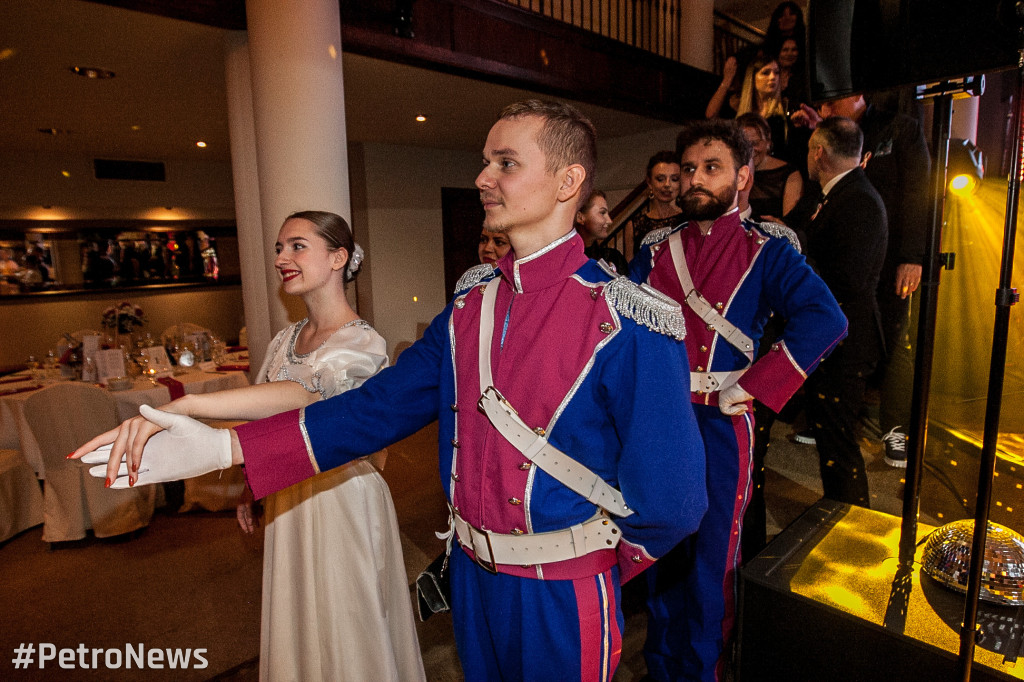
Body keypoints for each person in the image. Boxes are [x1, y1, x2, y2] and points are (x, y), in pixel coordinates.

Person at [78, 100, 708, 681]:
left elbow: (674, 502)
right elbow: (372, 409)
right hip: (470, 576)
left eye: (506, 163)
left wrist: (584, 564)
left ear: (569, 183)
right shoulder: (471, 306)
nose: (484, 178)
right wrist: (223, 449)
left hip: (563, 588)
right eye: (485, 162)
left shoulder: (631, 317)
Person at [74, 211, 426, 682]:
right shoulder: (285, 338)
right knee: (299, 611)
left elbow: (307, 399)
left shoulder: (362, 341)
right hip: (287, 489)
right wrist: (252, 482)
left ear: (338, 257)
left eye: (297, 246)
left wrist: (190, 406)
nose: (282, 257)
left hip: (339, 497)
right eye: (279, 248)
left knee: (347, 617)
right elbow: (262, 417)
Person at [630, 119, 846, 682]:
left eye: (712, 168)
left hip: (723, 426)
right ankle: (661, 668)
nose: (695, 181)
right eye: (689, 171)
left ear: (743, 176)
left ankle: (704, 673)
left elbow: (826, 320)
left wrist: (750, 386)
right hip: (659, 423)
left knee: (712, 566)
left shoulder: (767, 250)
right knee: (659, 555)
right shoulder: (655, 252)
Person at [803, 116, 888, 507]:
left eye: (809, 149)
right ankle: (841, 512)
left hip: (847, 340)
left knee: (839, 442)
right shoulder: (843, 194)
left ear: (819, 153)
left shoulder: (858, 199)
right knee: (831, 437)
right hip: (837, 338)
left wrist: (798, 262)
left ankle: (851, 519)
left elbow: (848, 279)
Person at [736, 112, 803, 221]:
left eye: (755, 143)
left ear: (768, 141)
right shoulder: (730, 173)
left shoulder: (788, 174)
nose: (750, 151)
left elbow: (790, 224)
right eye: (743, 144)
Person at [624, 151, 683, 256]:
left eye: (674, 179)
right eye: (660, 179)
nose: (667, 184)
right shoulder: (634, 225)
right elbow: (630, 268)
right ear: (649, 183)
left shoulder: (689, 220)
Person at [575, 189, 628, 275]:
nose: (610, 221)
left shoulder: (613, 258)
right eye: (602, 213)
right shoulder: (566, 261)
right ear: (580, 217)